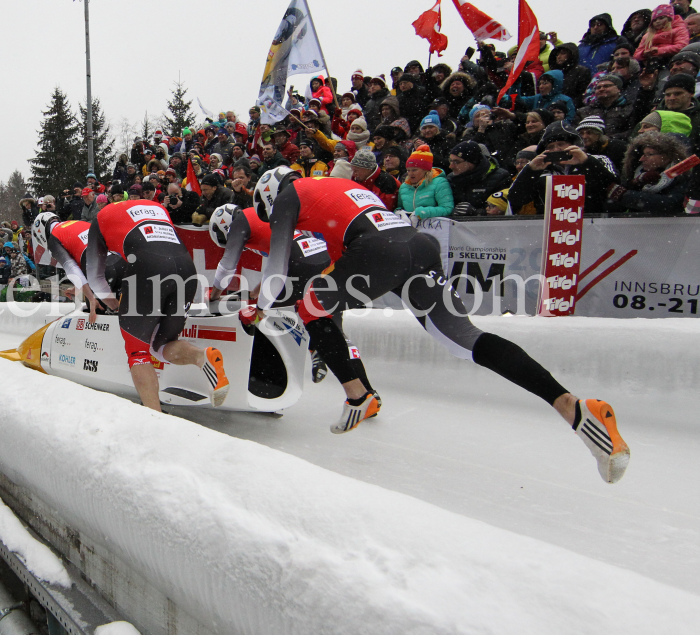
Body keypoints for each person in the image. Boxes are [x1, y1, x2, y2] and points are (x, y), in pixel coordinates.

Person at [249, 167, 630, 484]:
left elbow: (278, 264)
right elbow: (343, 263)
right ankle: (573, 406)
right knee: (466, 339)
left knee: (309, 305)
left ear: (270, 194)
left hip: (380, 251)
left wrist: (258, 308)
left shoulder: (289, 194)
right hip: (419, 245)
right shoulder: (340, 186)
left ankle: (358, 395)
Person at [85, 199, 229, 411]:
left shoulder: (100, 217)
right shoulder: (157, 206)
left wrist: (114, 305)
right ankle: (201, 356)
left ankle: (155, 419)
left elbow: (95, 277)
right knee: (161, 346)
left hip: (148, 268)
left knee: (138, 353)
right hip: (186, 269)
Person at [208, 204, 352, 385]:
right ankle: (322, 348)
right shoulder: (260, 215)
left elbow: (226, 267)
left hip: (300, 262)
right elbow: (277, 263)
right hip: (323, 257)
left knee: (259, 315)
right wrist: (258, 289)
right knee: (318, 312)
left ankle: (264, 375)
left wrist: (214, 297)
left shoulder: (241, 222)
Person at [508, 121, 619, 215]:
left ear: (574, 144)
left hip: (592, 223)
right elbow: (516, 199)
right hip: (552, 228)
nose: (556, 149)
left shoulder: (599, 159)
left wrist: (586, 162)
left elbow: (614, 187)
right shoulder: (541, 170)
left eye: (561, 144)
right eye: (551, 147)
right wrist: (530, 170)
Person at [606, 132, 694, 214]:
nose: (642, 159)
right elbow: (611, 207)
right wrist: (633, 184)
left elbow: (671, 204)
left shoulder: (683, 177)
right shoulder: (637, 175)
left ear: (668, 156)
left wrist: (625, 196)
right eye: (642, 154)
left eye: (649, 154)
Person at [445, 141, 513, 215]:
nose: (451, 166)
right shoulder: (451, 179)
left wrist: (476, 212)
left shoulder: (500, 177)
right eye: (450, 161)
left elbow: (503, 210)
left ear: (472, 162)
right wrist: (451, 211)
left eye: (456, 162)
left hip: (488, 225)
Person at [396, 145, 454, 220]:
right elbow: (400, 207)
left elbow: (447, 208)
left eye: (414, 170)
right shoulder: (404, 187)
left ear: (426, 170)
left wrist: (423, 212)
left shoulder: (439, 182)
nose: (410, 173)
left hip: (433, 228)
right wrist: (399, 213)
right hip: (410, 229)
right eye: (408, 170)